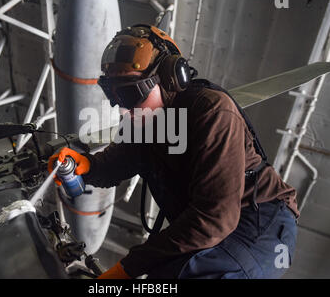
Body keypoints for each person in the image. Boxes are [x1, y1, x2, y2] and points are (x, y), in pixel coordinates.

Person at [50, 24, 299, 279]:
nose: (124, 109)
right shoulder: (143, 120)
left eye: (130, 93)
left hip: (258, 223)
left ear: (171, 77)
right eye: (115, 96)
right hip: (218, 232)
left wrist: (125, 269)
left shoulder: (211, 111)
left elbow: (215, 217)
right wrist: (86, 165)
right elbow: (118, 162)